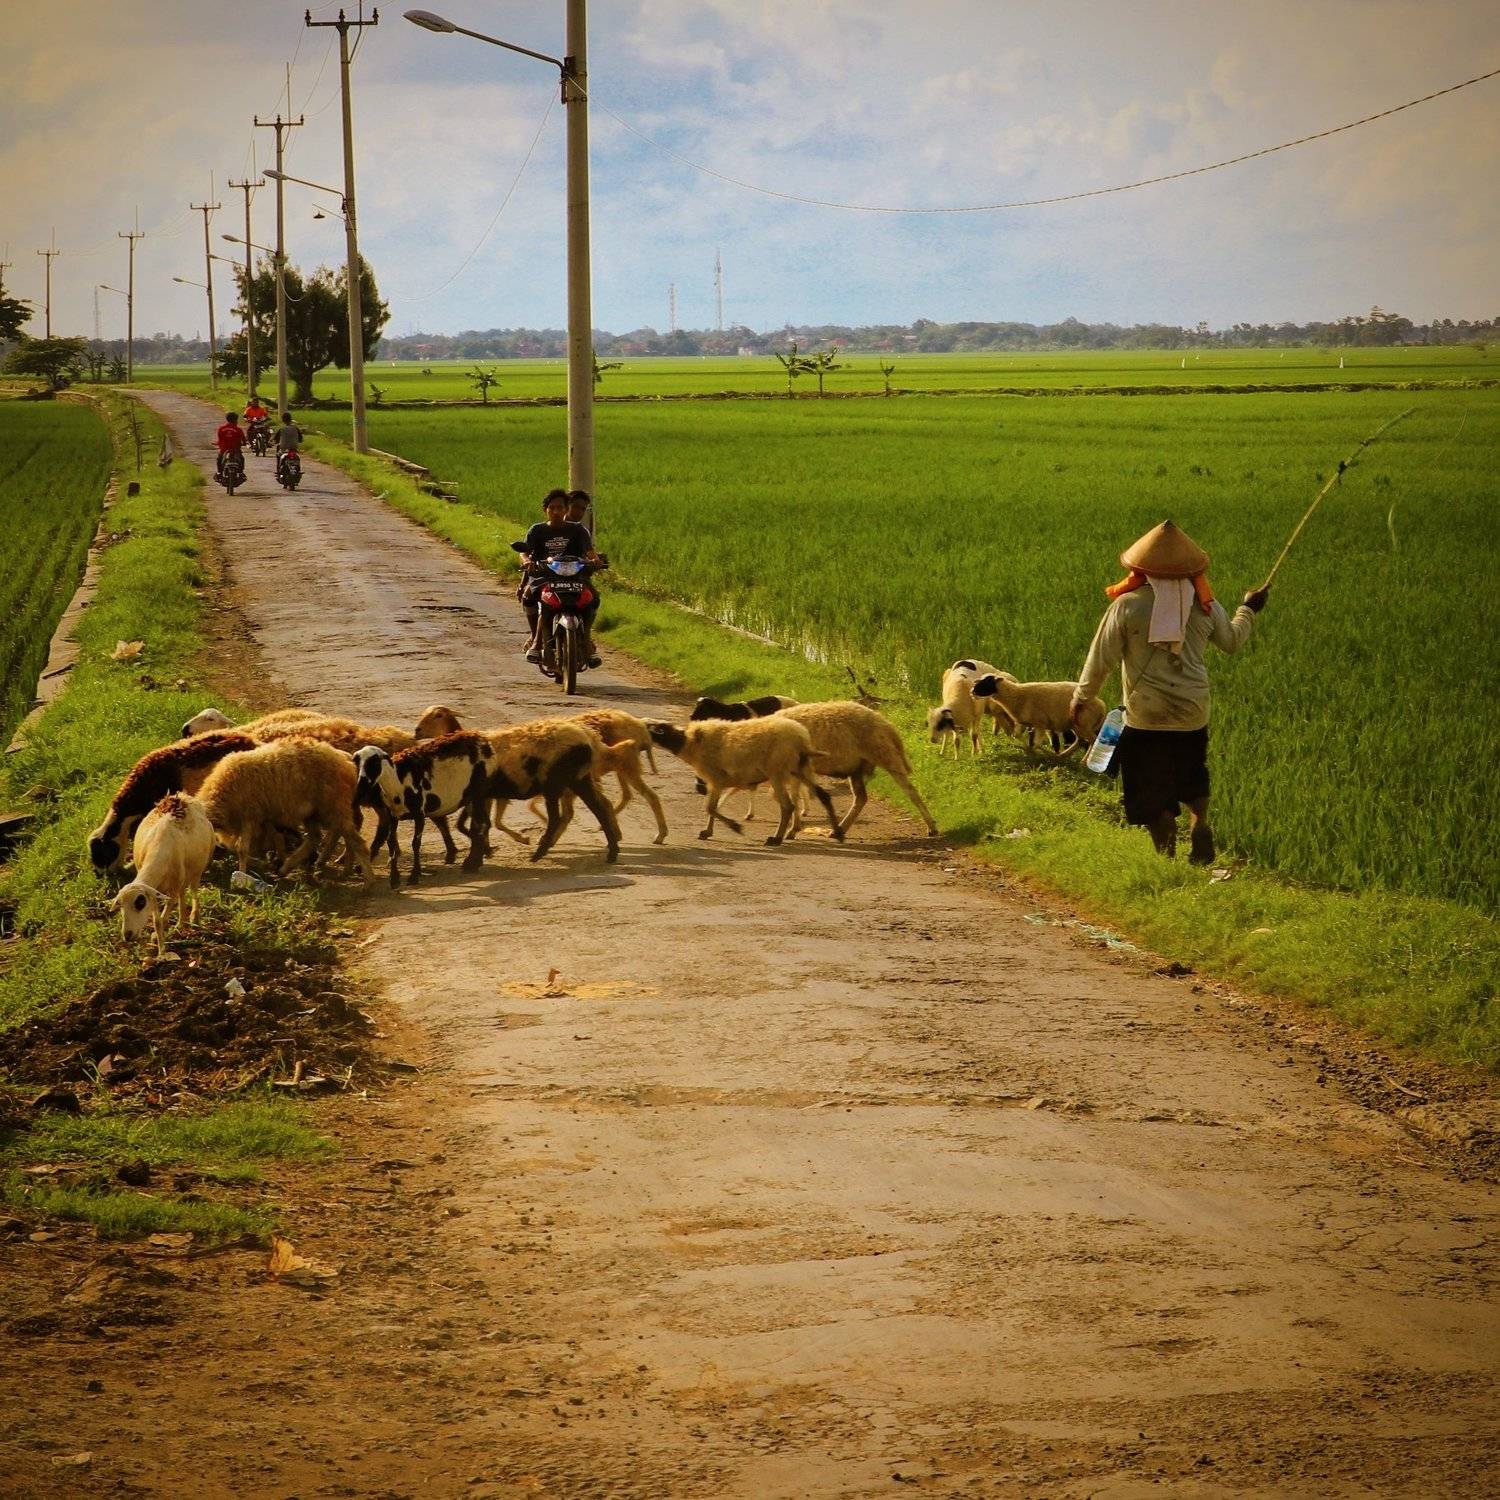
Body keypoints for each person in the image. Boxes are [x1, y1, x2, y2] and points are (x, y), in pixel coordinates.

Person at [1070, 519, 1268, 864]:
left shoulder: (1127, 606)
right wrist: (1248, 609)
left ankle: (1165, 850)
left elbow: (1100, 660)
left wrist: (1081, 699)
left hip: (1146, 714)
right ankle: (1199, 822)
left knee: (1149, 787)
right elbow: (1232, 642)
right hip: (1192, 709)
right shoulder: (1205, 605)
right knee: (1192, 772)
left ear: (1141, 570)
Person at [518, 488, 601, 667]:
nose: (556, 512)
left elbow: (590, 552)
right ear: (545, 510)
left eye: (560, 508)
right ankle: (536, 640)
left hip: (574, 576)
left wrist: (595, 560)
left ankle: (586, 640)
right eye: (552, 508)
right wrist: (527, 561)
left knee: (593, 599)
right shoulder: (537, 530)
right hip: (545, 576)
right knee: (529, 596)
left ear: (566, 509)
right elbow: (525, 552)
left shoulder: (578, 530)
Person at [214, 410, 245, 477]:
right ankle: (241, 473)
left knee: (219, 459)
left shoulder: (221, 429)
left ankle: (219, 472)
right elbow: (243, 439)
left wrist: (219, 444)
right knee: (241, 459)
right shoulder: (238, 429)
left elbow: (220, 439)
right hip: (235, 449)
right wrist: (244, 443)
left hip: (224, 449)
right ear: (235, 420)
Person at [274, 411, 303, 478]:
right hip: (294, 447)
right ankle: (298, 470)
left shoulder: (281, 428)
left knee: (278, 455)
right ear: (290, 419)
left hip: (284, 448)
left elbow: (276, 439)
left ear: (283, 420)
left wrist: (275, 441)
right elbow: (300, 439)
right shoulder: (296, 428)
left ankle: (278, 471)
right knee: (297, 458)